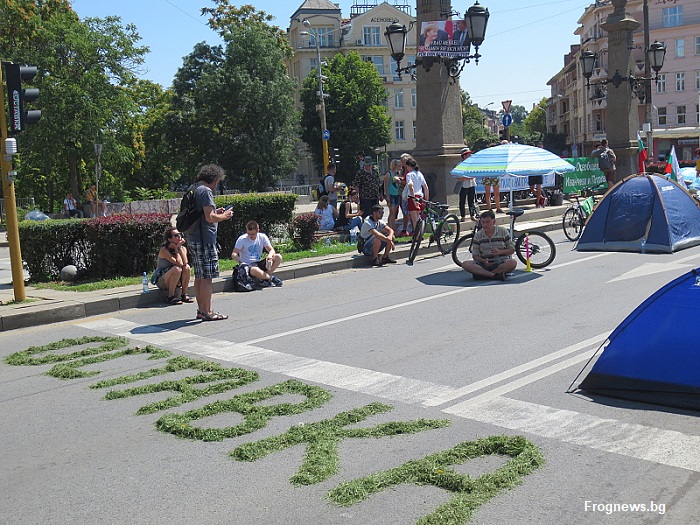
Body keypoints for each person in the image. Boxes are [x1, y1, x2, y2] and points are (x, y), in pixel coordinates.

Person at [184, 164, 234, 321]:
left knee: (199, 276)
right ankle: (207, 311)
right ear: (215, 179)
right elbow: (209, 217)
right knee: (207, 278)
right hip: (205, 239)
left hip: (193, 237)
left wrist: (215, 213)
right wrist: (224, 216)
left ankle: (201, 310)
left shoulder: (195, 188)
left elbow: (205, 214)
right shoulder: (205, 191)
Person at [459, 210, 516, 281]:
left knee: (512, 263)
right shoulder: (478, 235)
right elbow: (475, 255)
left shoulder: (503, 231)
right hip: (484, 263)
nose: (485, 225)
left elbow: (511, 249)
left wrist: (500, 252)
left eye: (488, 222)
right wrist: (483, 261)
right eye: (483, 222)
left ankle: (484, 274)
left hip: (500, 262)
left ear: (494, 222)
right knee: (465, 264)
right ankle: (494, 275)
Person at [231, 220, 283, 287]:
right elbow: (234, 254)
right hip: (248, 265)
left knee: (278, 257)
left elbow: (271, 250)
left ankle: (263, 279)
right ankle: (270, 278)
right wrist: (241, 262)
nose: (251, 236)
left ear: (258, 231)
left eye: (253, 234)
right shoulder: (242, 239)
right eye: (249, 234)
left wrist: (269, 255)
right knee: (254, 270)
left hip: (258, 262)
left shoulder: (262, 237)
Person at [152, 226, 193, 305]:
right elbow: (179, 263)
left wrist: (179, 248)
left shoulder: (183, 248)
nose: (179, 237)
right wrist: (176, 249)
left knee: (187, 268)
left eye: (180, 234)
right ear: (170, 240)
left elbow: (184, 263)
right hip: (162, 280)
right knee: (177, 269)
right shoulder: (164, 250)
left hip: (176, 277)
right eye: (176, 235)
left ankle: (184, 294)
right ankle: (171, 296)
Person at [403, 157, 429, 234]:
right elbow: (426, 188)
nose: (406, 168)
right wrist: (426, 200)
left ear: (409, 166)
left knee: (414, 220)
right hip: (421, 197)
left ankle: (417, 237)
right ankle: (420, 234)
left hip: (412, 197)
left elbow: (411, 187)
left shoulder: (409, 175)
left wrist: (414, 200)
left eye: (407, 167)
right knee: (419, 218)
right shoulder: (420, 174)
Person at [455, 147, 478, 221]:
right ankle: (463, 216)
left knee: (471, 201)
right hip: (463, 185)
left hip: (471, 184)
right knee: (462, 201)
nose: (470, 156)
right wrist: (466, 178)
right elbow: (457, 176)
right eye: (468, 154)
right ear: (464, 156)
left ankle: (472, 215)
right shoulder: (460, 164)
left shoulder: (472, 164)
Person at [383, 158, 403, 231]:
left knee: (395, 212)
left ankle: (393, 227)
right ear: (395, 165)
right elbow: (385, 185)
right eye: (399, 165)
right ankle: (390, 227)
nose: (401, 166)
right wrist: (387, 196)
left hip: (397, 194)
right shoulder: (389, 174)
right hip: (391, 194)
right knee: (391, 211)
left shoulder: (398, 173)